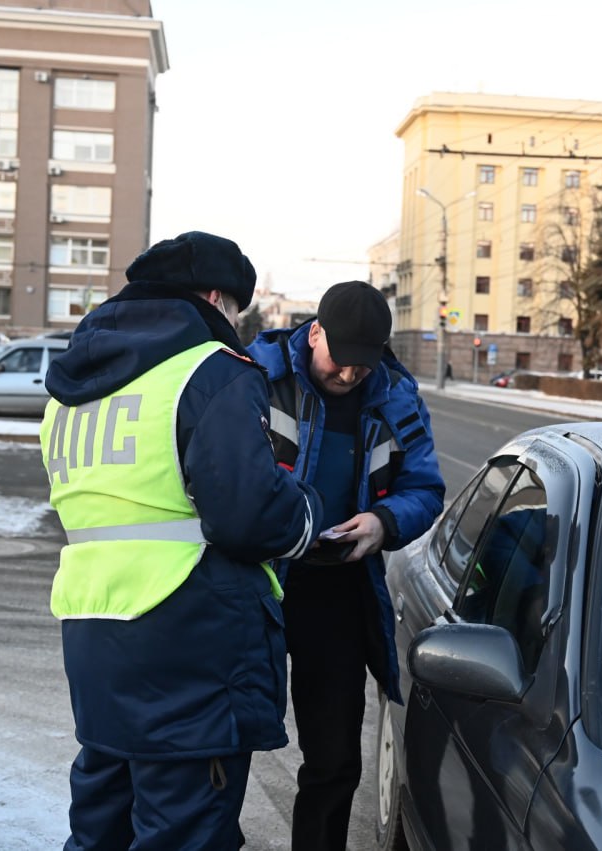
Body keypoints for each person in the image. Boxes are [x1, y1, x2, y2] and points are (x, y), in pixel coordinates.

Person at [39, 231, 323, 850]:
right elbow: (249, 516)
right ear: (217, 298)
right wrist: (305, 511)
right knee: (187, 831)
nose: (237, 328)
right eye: (237, 313)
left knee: (101, 826)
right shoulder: (210, 370)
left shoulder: (70, 389)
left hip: (94, 632)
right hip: (191, 642)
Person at [248, 280, 445, 851]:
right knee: (224, 744)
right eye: (341, 358)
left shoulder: (397, 399)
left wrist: (383, 522)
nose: (351, 373)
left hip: (338, 590)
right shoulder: (256, 377)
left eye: (365, 362)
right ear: (315, 333)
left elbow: (424, 488)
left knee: (334, 759)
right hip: (254, 583)